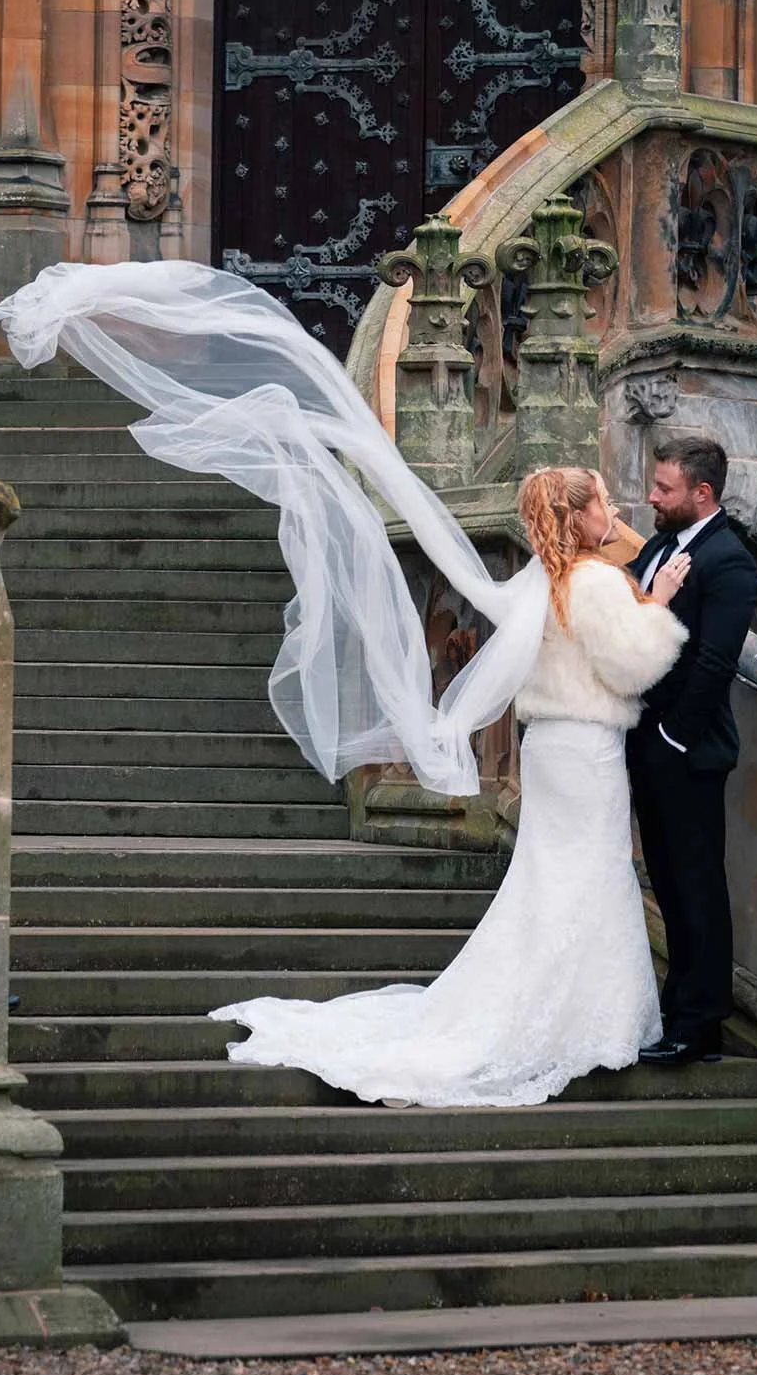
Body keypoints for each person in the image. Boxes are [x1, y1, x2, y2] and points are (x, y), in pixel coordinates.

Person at [218, 466, 690, 1108]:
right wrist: (657, 604)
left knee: (549, 878)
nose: (615, 510)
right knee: (590, 875)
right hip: (586, 750)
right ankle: (590, 1023)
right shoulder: (600, 581)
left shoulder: (545, 581)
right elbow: (633, 667)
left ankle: (569, 1009)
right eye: (603, 501)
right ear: (578, 518)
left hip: (548, 748)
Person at [626, 433, 757, 1067]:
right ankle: (675, 1007)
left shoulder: (730, 560)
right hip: (646, 741)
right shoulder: (657, 547)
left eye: (664, 488)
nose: (651, 496)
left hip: (689, 749)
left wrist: (671, 735)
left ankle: (699, 1022)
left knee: (697, 885)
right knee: (668, 884)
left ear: (701, 494)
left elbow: (714, 662)